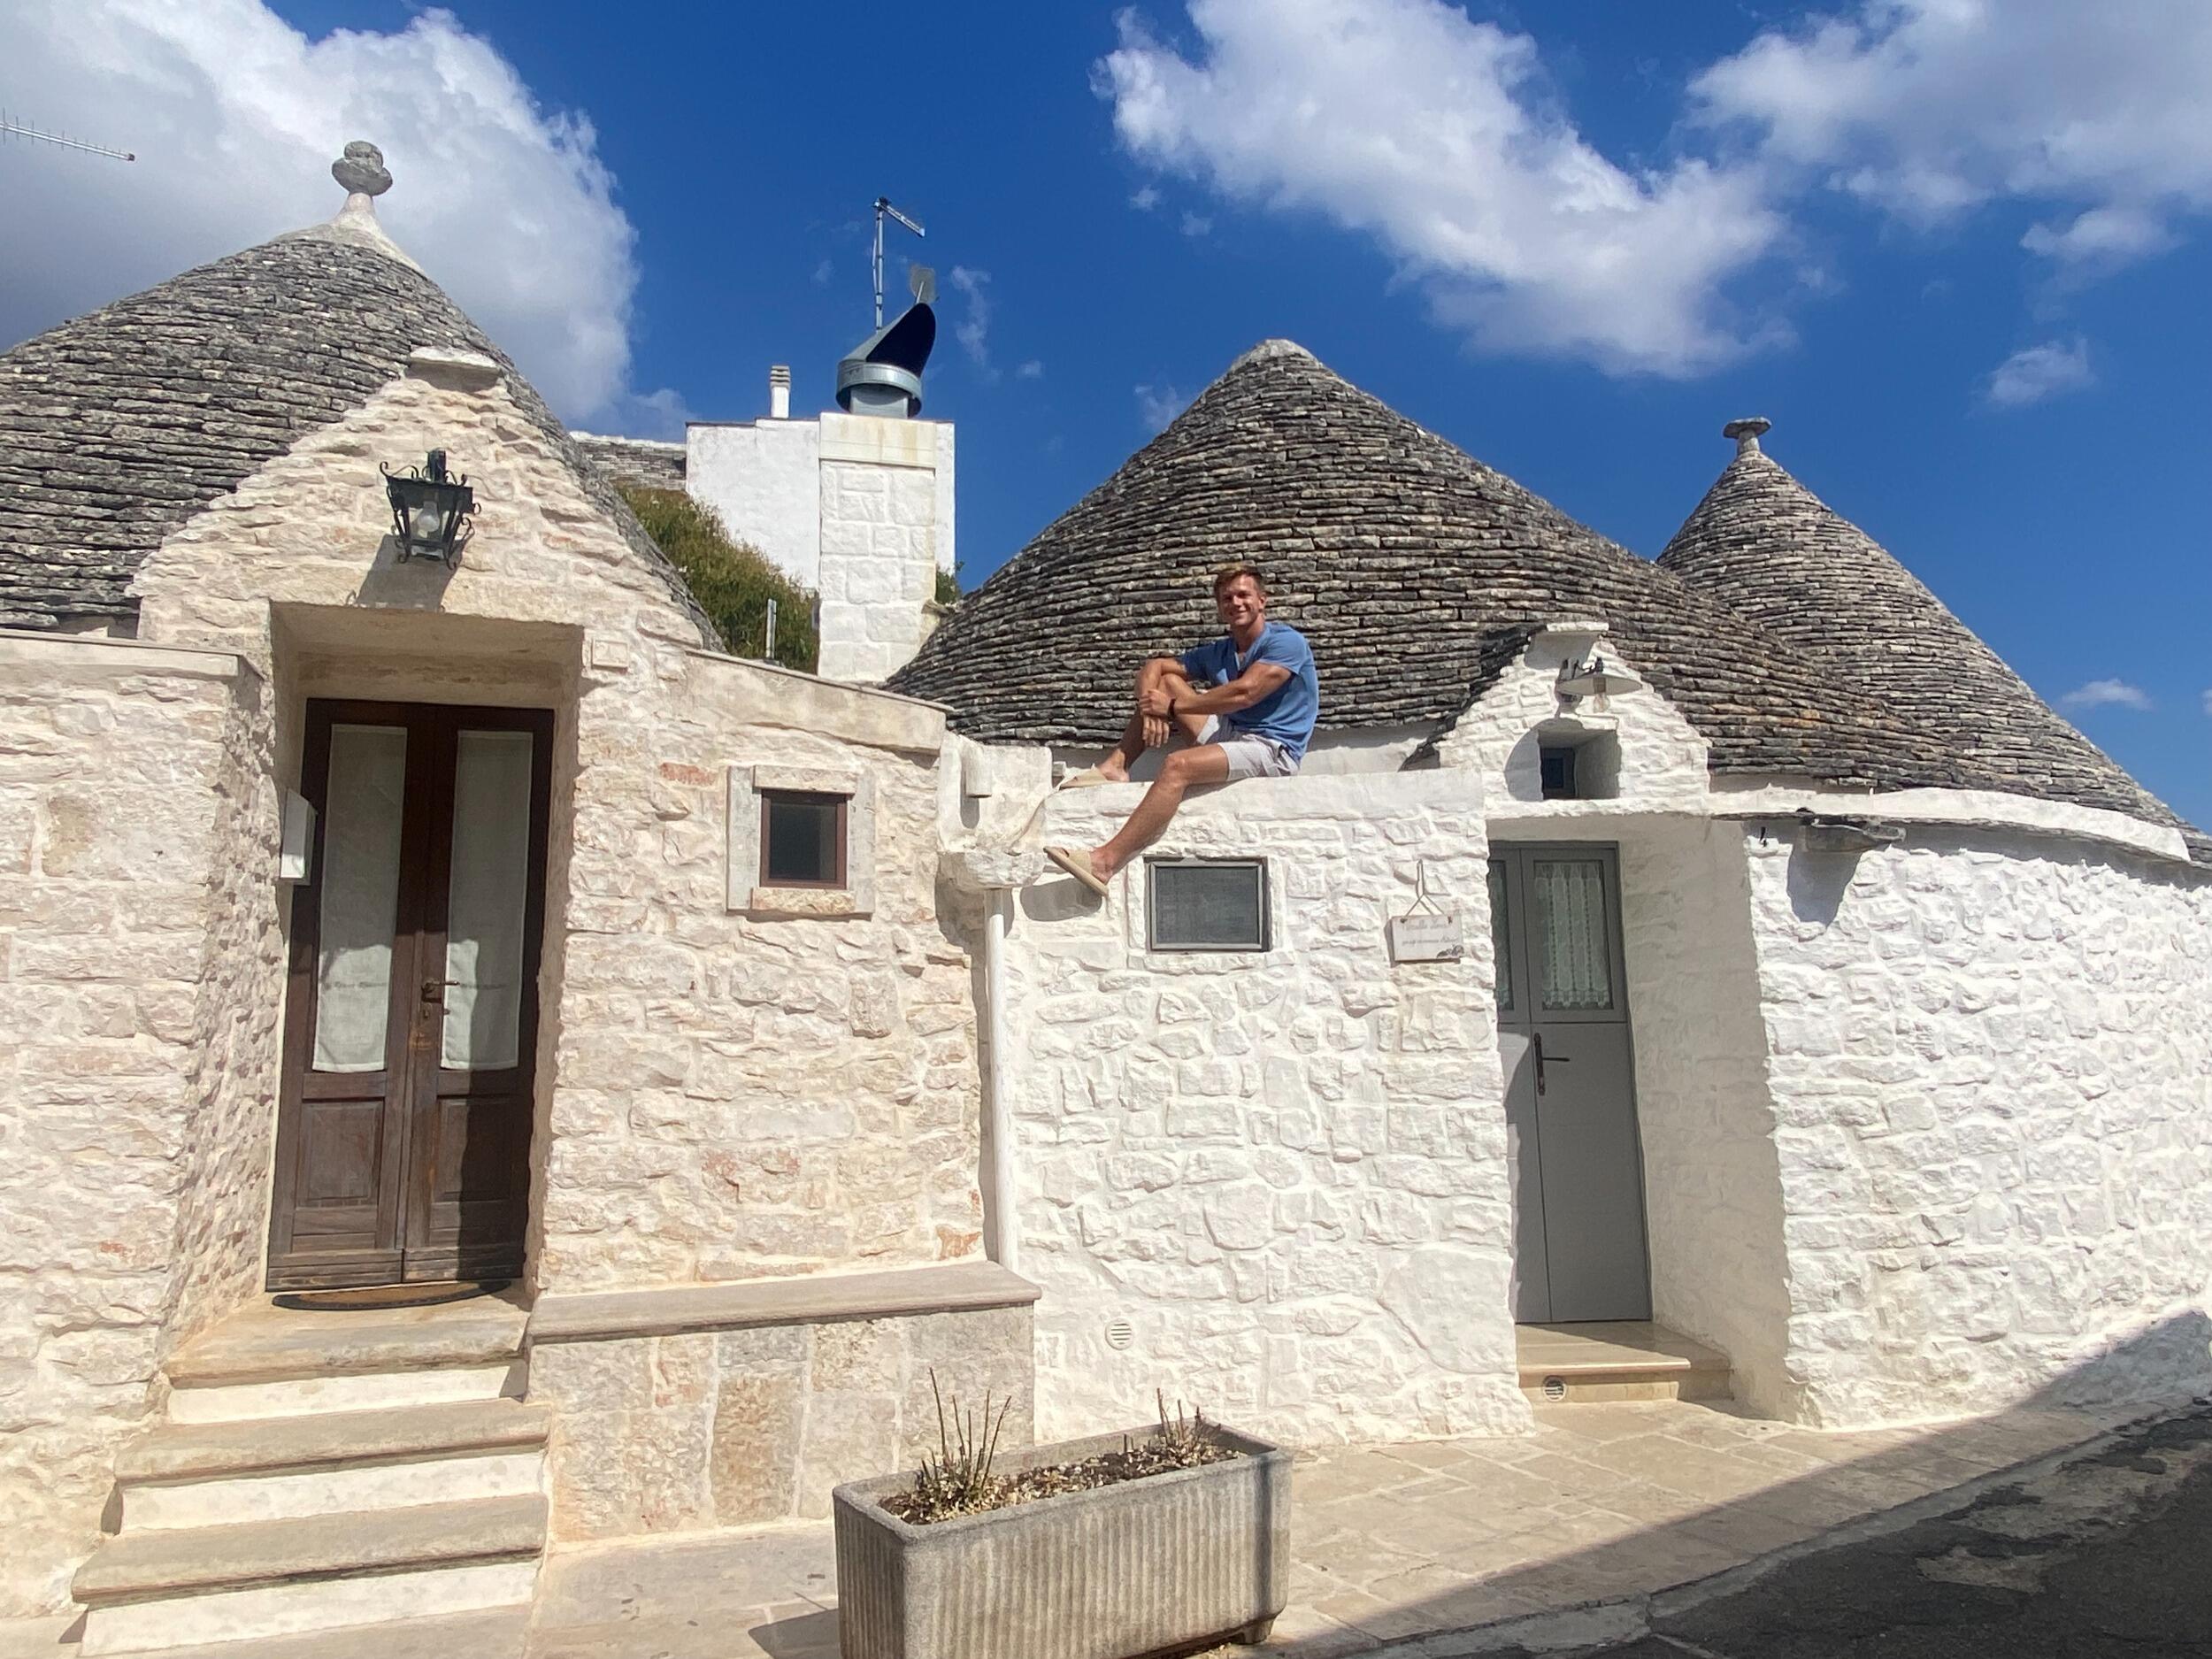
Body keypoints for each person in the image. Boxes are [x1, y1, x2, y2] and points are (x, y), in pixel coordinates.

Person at [1046, 565, 1318, 896]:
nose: (1236, 603)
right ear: (1220, 607)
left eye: (1243, 595)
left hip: (1272, 749)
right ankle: (1117, 766)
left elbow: (1245, 693)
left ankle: (1104, 862)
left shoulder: (1287, 643)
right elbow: (1155, 667)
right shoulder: (1221, 651)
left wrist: (1172, 709)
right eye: (1227, 598)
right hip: (1232, 734)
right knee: (1166, 681)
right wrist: (1153, 711)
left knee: (1178, 765)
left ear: (1262, 600)